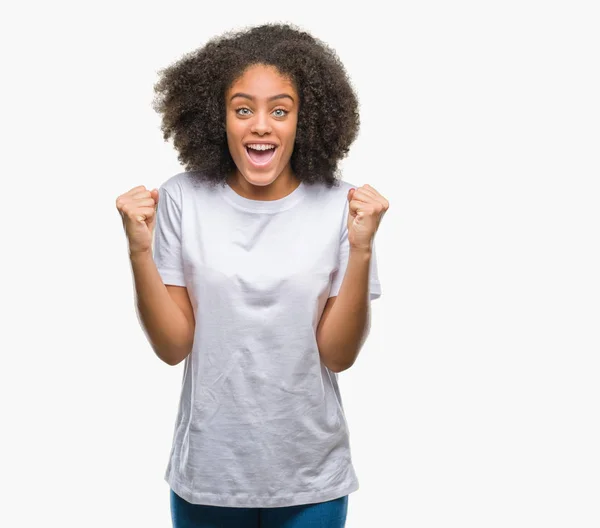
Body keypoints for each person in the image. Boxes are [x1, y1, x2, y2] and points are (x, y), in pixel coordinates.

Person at [116, 23, 389, 528]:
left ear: (304, 120)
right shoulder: (182, 198)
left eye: (279, 110)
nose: (261, 125)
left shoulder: (342, 207)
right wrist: (138, 251)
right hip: (210, 474)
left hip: (311, 476)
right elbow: (174, 346)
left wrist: (362, 247)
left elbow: (338, 355)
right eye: (243, 109)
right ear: (218, 118)